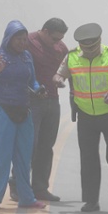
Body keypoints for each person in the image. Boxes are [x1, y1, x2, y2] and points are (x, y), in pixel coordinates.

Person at [53, 23, 108, 212]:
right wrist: (58, 80)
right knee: (88, 158)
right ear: (80, 46)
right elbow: (59, 74)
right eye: (85, 48)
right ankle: (91, 200)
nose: (89, 51)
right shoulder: (71, 57)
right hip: (86, 115)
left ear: (100, 42)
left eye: (93, 47)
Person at [0, 20, 46, 210]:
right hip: (2, 109)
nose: (22, 43)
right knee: (2, 156)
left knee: (24, 157)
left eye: (25, 39)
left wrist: (38, 89)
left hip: (24, 109)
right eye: (18, 39)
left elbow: (32, 81)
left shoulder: (27, 57)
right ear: (9, 38)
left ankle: (27, 198)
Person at [9, 18, 68, 202]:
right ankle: (17, 184)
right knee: (28, 145)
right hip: (31, 101)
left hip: (53, 100)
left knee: (46, 146)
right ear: (44, 31)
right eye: (54, 38)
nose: (57, 42)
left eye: (60, 39)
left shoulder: (61, 48)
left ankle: (40, 187)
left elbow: (67, 69)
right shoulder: (28, 43)